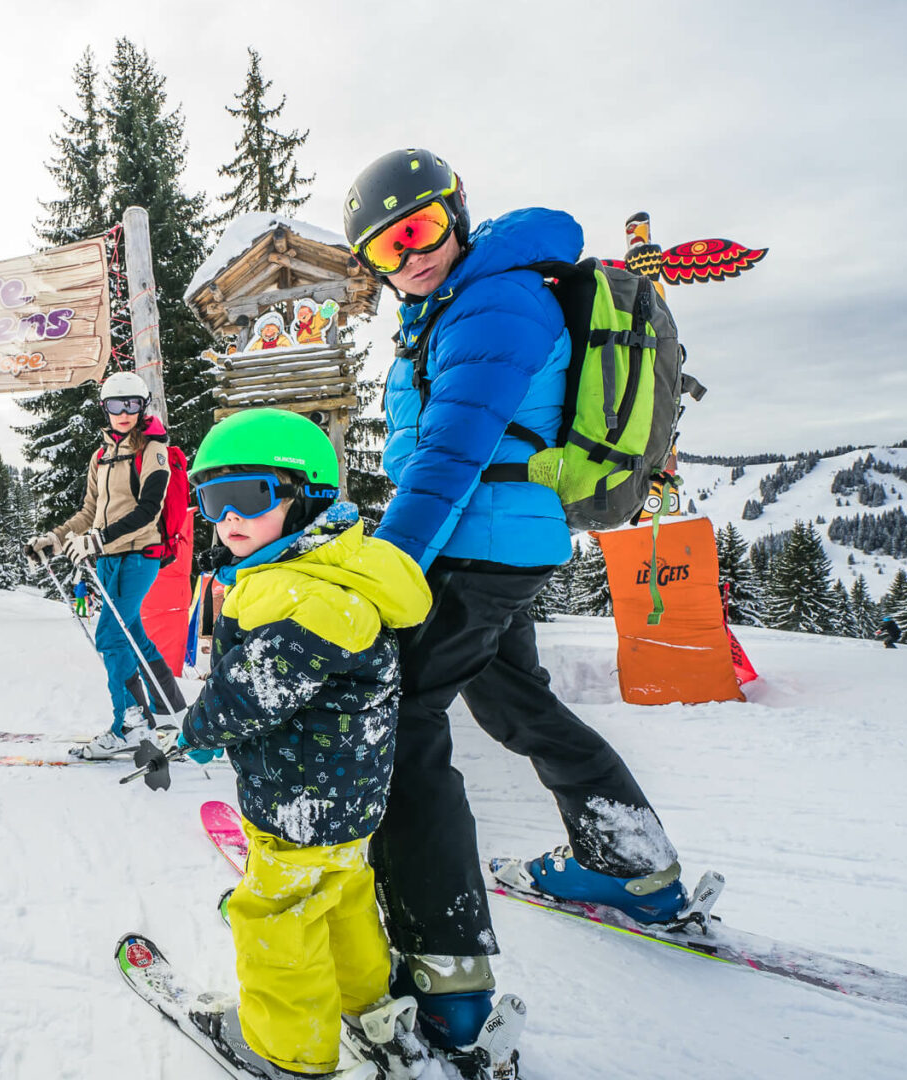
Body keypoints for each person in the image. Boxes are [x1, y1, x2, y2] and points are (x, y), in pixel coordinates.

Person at [342, 148, 689, 1053]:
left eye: (417, 229)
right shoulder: (458, 302)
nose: (408, 257)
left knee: (407, 723)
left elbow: (448, 459)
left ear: (454, 215)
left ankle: (447, 977)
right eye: (386, 249)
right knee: (517, 705)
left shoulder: (492, 301)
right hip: (503, 542)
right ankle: (632, 866)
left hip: (472, 544)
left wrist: (388, 573)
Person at [169, 408, 433, 1077]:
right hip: (350, 799)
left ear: (307, 493)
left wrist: (196, 730)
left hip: (296, 802)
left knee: (274, 916)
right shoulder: (342, 570)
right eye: (213, 500)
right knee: (343, 896)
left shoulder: (294, 595)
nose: (228, 519)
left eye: (250, 496)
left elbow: (249, 693)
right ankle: (370, 1008)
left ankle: (288, 1050)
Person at [25, 372, 187, 756]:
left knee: (111, 637)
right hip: (107, 560)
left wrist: (98, 538)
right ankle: (173, 713)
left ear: (143, 406)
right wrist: (56, 538)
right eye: (116, 405)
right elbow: (88, 512)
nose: (124, 413)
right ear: (105, 409)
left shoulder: (154, 451)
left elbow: (150, 509)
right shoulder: (101, 456)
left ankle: (129, 724)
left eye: (133, 404)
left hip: (139, 556)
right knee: (133, 636)